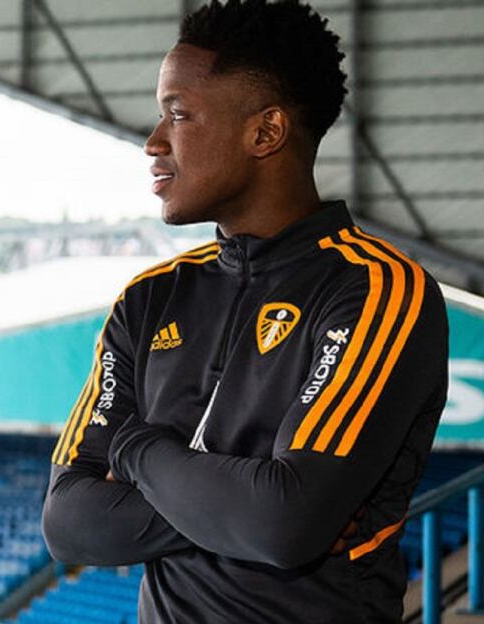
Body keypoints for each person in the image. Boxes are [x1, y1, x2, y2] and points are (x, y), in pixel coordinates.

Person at [41, 0, 449, 621]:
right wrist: (237, 501)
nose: (154, 142)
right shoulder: (150, 299)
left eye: (178, 114)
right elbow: (68, 522)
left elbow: (283, 525)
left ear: (266, 132)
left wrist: (138, 451)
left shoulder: (378, 292)